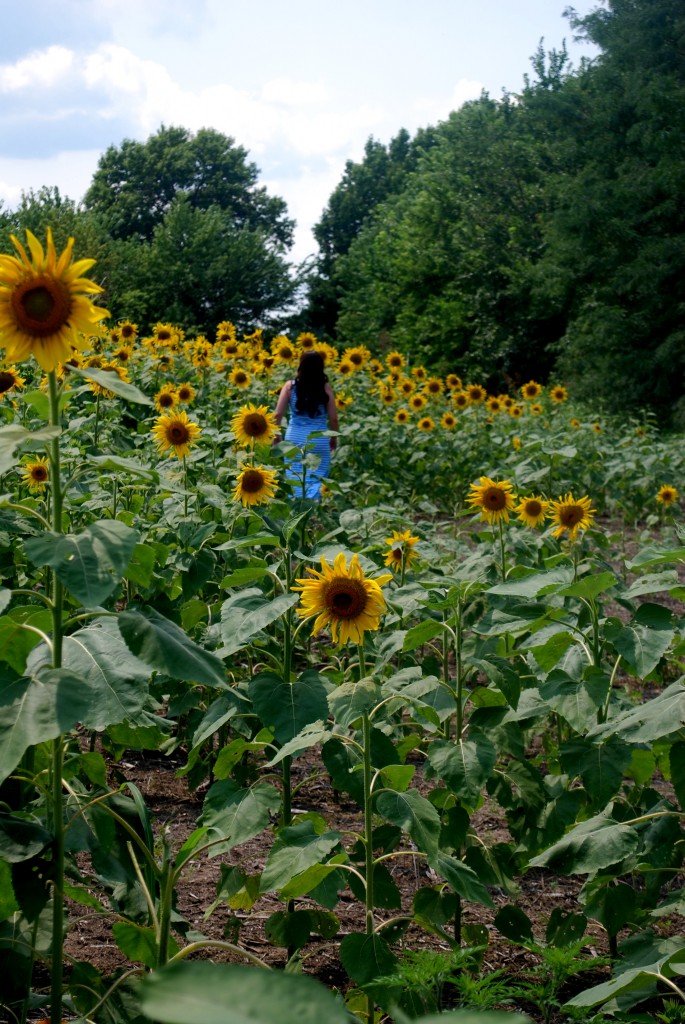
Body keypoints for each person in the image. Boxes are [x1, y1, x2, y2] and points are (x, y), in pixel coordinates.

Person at [274, 350, 338, 499]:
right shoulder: (325, 387)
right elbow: (334, 418)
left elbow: (277, 415)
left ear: (300, 365)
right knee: (317, 479)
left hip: (294, 439)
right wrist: (334, 438)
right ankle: (313, 515)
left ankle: (298, 513)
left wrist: (276, 435)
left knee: (295, 477)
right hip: (319, 438)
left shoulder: (290, 386)